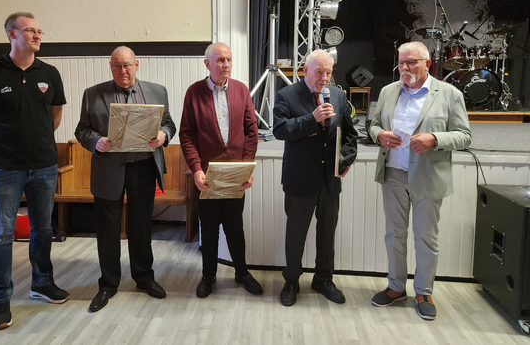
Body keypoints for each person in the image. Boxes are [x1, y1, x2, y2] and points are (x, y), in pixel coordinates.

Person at [0, 12, 69, 330]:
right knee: (1, 234)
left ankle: (42, 283)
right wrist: (2, 150)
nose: (37, 35)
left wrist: (35, 145)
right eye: (29, 30)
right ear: (12, 34)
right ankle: (0, 299)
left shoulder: (49, 73)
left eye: (39, 31)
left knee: (43, 229)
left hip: (44, 166)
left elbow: (54, 118)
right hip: (4, 168)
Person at [368, 41, 471, 320]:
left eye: (412, 62)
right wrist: (380, 135)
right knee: (394, 235)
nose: (405, 67)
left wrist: (435, 139)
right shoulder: (389, 91)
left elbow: (464, 136)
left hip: (428, 175)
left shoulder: (449, 94)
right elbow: (372, 125)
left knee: (426, 237)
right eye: (401, 62)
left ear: (428, 64)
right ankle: (395, 287)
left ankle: (424, 291)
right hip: (393, 173)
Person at [75, 46, 176, 312]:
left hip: (143, 167)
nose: (123, 71)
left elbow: (169, 125)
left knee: (141, 226)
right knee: (107, 229)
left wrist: (163, 135)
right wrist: (96, 142)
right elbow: (82, 130)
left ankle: (144, 278)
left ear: (137, 65)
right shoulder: (93, 94)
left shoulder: (157, 91)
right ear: (111, 67)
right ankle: (108, 284)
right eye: (117, 66)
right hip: (109, 169)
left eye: (127, 65)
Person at [273, 49, 357, 307]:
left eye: (329, 72)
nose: (325, 78)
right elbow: (280, 130)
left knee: (327, 234)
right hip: (300, 179)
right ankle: (291, 281)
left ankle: (323, 279)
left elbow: (350, 135)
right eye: (319, 72)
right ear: (305, 70)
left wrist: (345, 160)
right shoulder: (287, 95)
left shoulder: (339, 95)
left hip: (330, 180)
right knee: (296, 234)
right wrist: (312, 119)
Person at [179, 42, 263, 298]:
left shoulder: (241, 90)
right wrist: (196, 169)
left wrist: (246, 167)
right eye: (220, 60)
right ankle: (208, 275)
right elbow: (186, 135)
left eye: (229, 60)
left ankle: (241, 272)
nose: (226, 65)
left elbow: (251, 132)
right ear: (207, 64)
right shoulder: (194, 92)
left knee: (235, 227)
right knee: (209, 228)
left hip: (236, 174)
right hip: (208, 176)